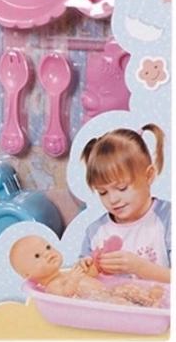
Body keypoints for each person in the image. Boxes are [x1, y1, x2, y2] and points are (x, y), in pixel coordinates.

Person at [78, 124, 171, 284]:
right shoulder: (96, 232)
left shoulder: (168, 218)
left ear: (148, 176)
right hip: (114, 300)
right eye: (103, 192)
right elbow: (83, 284)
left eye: (122, 188)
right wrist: (85, 269)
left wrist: (140, 267)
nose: (113, 200)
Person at [10, 235, 164, 307]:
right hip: (100, 301)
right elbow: (65, 295)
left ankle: (150, 297)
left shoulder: (67, 272)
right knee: (120, 303)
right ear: (27, 274)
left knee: (127, 288)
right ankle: (143, 311)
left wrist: (90, 264)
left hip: (107, 292)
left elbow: (92, 274)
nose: (47, 253)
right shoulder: (52, 286)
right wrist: (74, 280)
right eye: (37, 256)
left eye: (48, 247)